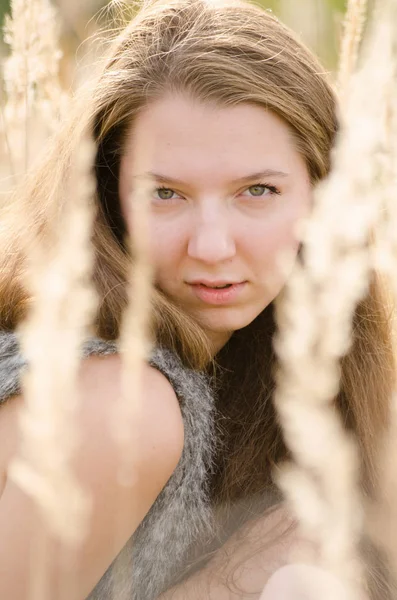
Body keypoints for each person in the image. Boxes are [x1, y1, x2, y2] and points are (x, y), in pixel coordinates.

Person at [0, 0, 394, 598]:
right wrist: (222, 585)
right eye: (166, 194)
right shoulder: (122, 403)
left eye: (257, 190)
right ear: (107, 197)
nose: (211, 245)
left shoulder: (248, 380)